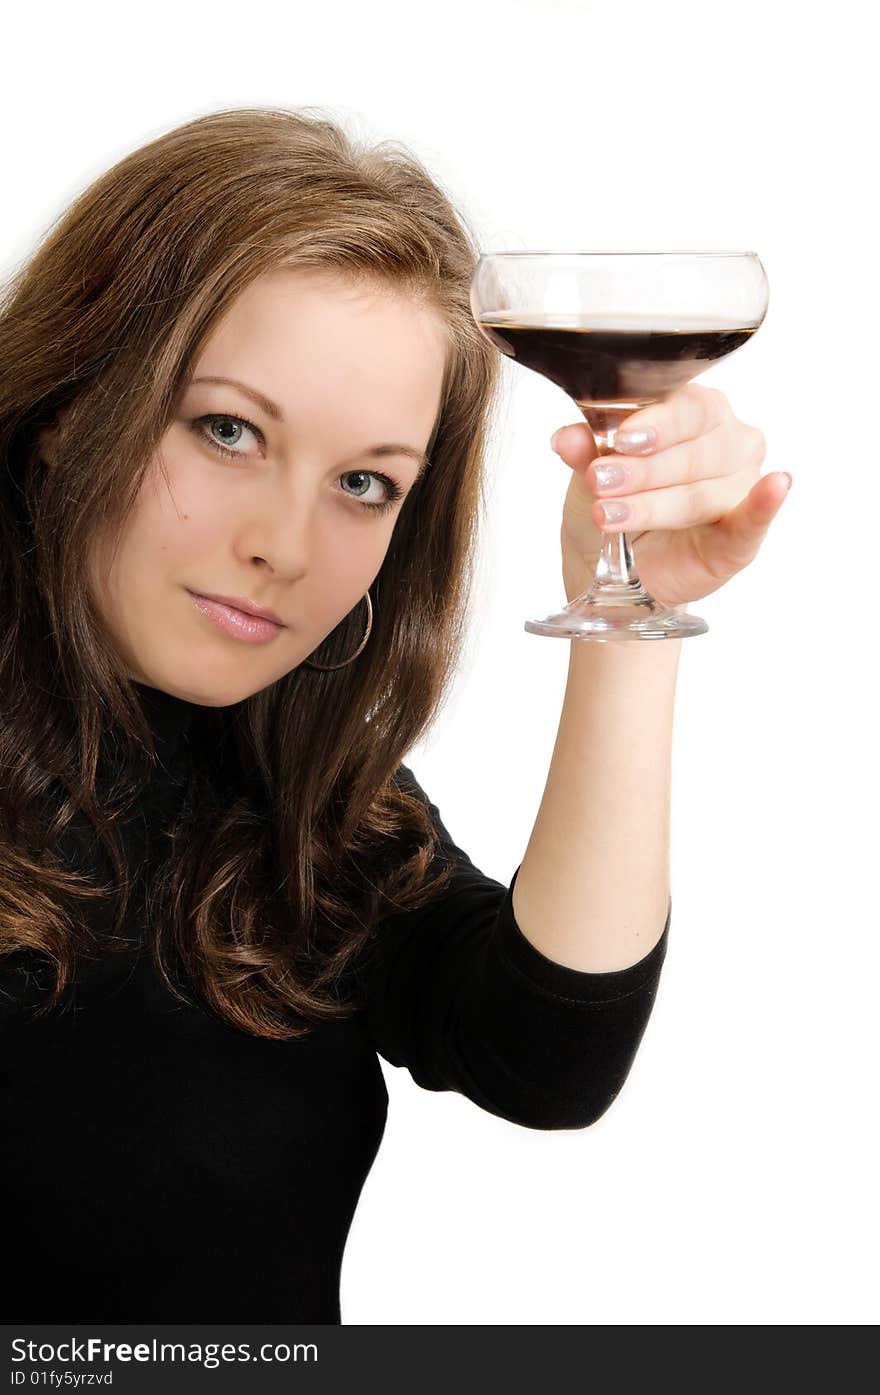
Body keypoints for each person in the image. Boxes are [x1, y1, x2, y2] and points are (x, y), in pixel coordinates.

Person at [0, 107, 790, 1325]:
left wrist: (626, 614)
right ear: (67, 409)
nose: (284, 546)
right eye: (227, 431)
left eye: (363, 483)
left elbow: (546, 1054)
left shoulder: (286, 792)